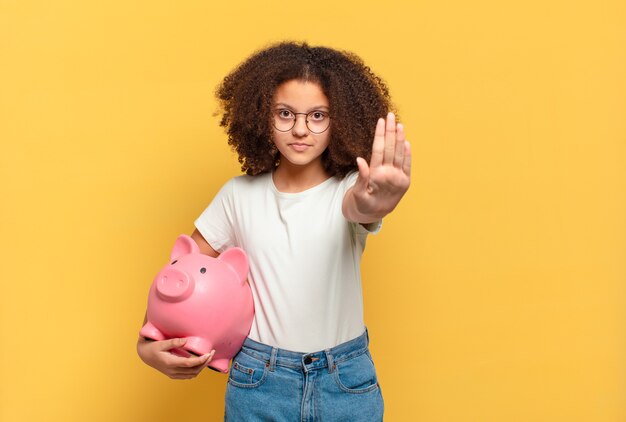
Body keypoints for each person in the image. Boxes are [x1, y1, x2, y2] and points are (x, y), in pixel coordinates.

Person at [137, 41, 411, 421]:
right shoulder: (238, 196)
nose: (300, 129)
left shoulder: (349, 190)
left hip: (345, 381)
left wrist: (378, 200)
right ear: (261, 116)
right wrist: (148, 344)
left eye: (318, 116)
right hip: (260, 381)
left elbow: (361, 207)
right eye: (285, 113)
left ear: (342, 120)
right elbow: (181, 277)